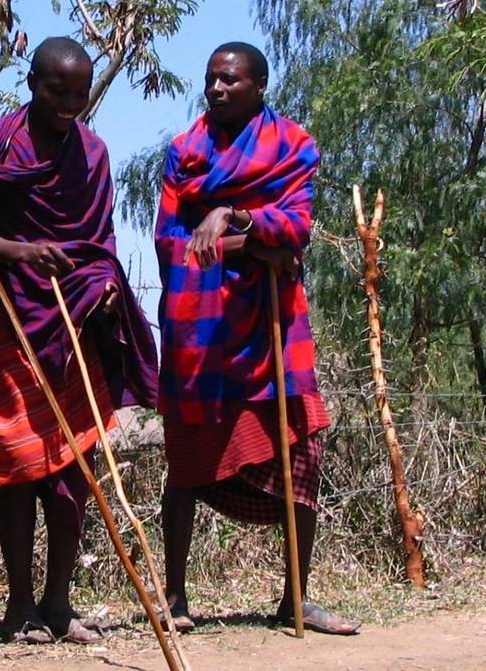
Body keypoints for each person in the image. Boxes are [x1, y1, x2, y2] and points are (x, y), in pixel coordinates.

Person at [0, 36, 158, 645]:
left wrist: (106, 287)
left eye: (80, 92)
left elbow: (100, 246)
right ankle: (19, 606)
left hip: (76, 325)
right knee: (17, 467)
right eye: (57, 90)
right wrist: (23, 251)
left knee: (75, 467)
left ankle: (60, 603)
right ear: (32, 83)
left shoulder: (93, 155)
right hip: (8, 322)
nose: (70, 102)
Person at [153, 41, 358, 636]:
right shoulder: (184, 152)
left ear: (260, 85)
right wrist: (255, 245)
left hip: (274, 335)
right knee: (187, 466)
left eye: (230, 80)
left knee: (301, 453)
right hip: (200, 331)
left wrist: (232, 218)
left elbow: (297, 226)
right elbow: (171, 242)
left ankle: (295, 597)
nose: (216, 89)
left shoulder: (292, 146)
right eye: (211, 79)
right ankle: (175, 597)